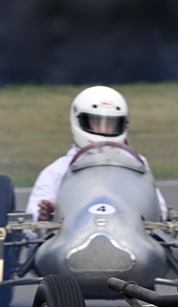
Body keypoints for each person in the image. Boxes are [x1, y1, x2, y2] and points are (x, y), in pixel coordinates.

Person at [24, 85, 168, 224]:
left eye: (110, 124)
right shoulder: (57, 170)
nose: (104, 129)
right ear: (79, 120)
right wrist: (45, 217)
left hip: (126, 234)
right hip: (72, 239)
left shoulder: (135, 163)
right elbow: (31, 227)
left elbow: (160, 211)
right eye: (96, 122)